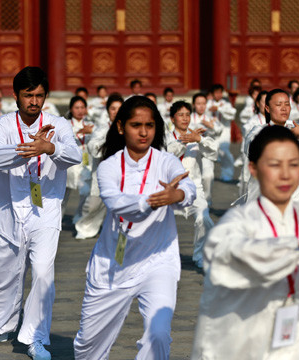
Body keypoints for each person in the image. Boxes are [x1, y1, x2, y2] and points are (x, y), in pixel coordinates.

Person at [191, 125, 299, 359]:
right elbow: (236, 257)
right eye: (275, 165)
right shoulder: (234, 225)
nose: (286, 174)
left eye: (294, 165)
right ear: (253, 169)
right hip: (245, 337)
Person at [0, 67, 81, 360]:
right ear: (16, 95)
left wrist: (50, 147)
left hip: (46, 209)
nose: (34, 101)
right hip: (8, 211)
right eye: (28, 95)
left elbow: (74, 155)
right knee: (5, 274)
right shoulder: (2, 124)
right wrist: (32, 147)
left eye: (40, 95)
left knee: (42, 273)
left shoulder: (58, 124)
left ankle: (36, 337)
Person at [74, 96, 196, 359]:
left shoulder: (165, 161)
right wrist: (152, 201)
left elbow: (187, 185)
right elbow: (116, 203)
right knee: (87, 346)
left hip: (157, 260)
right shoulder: (108, 167)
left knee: (159, 334)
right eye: (136, 125)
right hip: (113, 263)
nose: (143, 132)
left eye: (150, 125)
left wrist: (179, 195)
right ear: (120, 127)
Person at [243, 89, 299, 205]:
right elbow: (252, 147)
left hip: (295, 194)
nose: (284, 108)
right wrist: (289, 135)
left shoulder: (296, 127)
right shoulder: (258, 130)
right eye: (278, 105)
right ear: (267, 108)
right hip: (265, 195)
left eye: (287, 104)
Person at [166, 100, 217, 268]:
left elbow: (213, 153)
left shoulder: (196, 135)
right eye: (180, 115)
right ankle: (162, 256)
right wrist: (185, 141)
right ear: (173, 119)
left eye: (187, 114)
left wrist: (200, 139)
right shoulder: (165, 137)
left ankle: (199, 255)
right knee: (160, 223)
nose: (185, 118)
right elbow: (168, 153)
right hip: (170, 187)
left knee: (205, 218)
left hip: (194, 185)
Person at [75, 94, 124, 240]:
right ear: (108, 111)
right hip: (104, 174)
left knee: (124, 207)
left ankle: (120, 234)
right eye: (113, 108)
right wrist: (110, 144)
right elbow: (92, 147)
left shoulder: (130, 129)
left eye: (119, 109)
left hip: (125, 174)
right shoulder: (102, 129)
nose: (116, 111)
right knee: (94, 206)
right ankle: (85, 228)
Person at [63, 96, 93, 223]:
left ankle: (79, 218)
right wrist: (78, 132)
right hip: (68, 165)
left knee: (85, 193)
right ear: (71, 109)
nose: (80, 110)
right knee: (62, 196)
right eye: (77, 107)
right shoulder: (65, 125)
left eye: (82, 107)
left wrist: (90, 131)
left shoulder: (91, 125)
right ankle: (57, 219)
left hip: (84, 164)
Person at [206, 84, 237, 182]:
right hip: (211, 132)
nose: (218, 95)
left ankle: (227, 174)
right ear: (212, 94)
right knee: (208, 154)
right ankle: (207, 175)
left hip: (224, 130)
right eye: (216, 93)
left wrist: (219, 109)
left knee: (224, 152)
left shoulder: (226, 104)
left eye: (220, 92)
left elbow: (232, 114)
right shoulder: (208, 104)